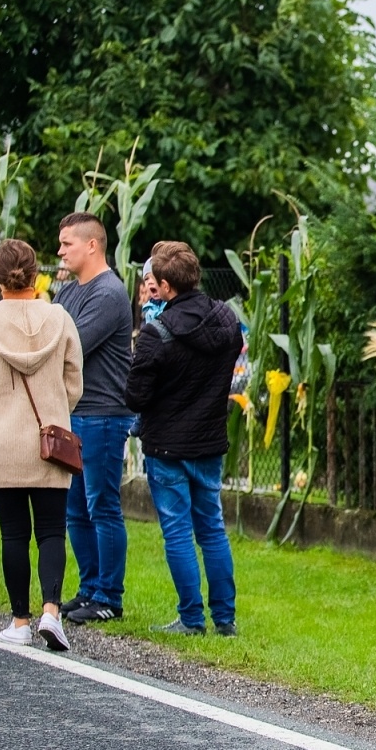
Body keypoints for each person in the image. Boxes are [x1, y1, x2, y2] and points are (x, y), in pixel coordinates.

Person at [0, 239, 83, 650]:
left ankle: (19, 621)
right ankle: (52, 612)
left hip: (0, 441)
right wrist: (55, 409)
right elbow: (74, 383)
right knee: (52, 531)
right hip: (49, 440)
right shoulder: (60, 319)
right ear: (35, 275)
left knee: (13, 533)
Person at [124, 241, 243, 636]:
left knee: (177, 532)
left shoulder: (157, 333)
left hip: (167, 445)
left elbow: (135, 396)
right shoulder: (226, 321)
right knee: (212, 528)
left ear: (165, 286)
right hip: (208, 440)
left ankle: (192, 619)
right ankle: (225, 619)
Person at [54, 212, 137, 625]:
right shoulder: (68, 292)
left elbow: (71, 345)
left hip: (103, 414)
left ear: (92, 245)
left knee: (102, 506)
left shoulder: (109, 293)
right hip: (74, 412)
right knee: (75, 510)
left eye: (66, 243)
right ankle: (88, 588)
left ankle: (109, 595)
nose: (60, 251)